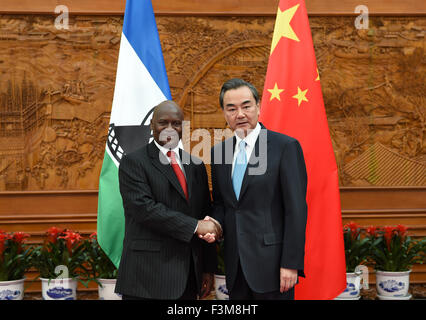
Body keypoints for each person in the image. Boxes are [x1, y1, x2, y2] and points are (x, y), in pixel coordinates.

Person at [208, 78, 308, 300]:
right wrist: (213, 224)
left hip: (274, 267)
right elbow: (222, 205)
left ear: (258, 106)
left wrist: (290, 264)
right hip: (236, 267)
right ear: (224, 114)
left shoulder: (284, 147)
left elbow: (296, 209)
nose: (240, 114)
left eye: (246, 106)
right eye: (231, 109)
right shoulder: (219, 153)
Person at [115, 100, 221, 300]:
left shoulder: (195, 165)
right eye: (163, 123)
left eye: (177, 123)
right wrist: (195, 226)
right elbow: (144, 209)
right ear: (151, 126)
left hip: (188, 278)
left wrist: (207, 268)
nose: (170, 129)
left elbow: (204, 214)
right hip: (147, 278)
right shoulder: (133, 162)